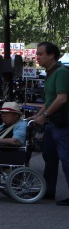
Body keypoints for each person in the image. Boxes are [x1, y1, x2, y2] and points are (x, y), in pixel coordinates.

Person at [31, 42, 69, 204]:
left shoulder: (61, 73)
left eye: (40, 54)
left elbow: (62, 98)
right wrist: (37, 116)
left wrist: (44, 115)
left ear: (51, 55)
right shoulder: (50, 73)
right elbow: (49, 101)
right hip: (52, 124)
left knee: (66, 159)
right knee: (49, 156)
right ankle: (48, 190)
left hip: (63, 124)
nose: (37, 57)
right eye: (37, 54)